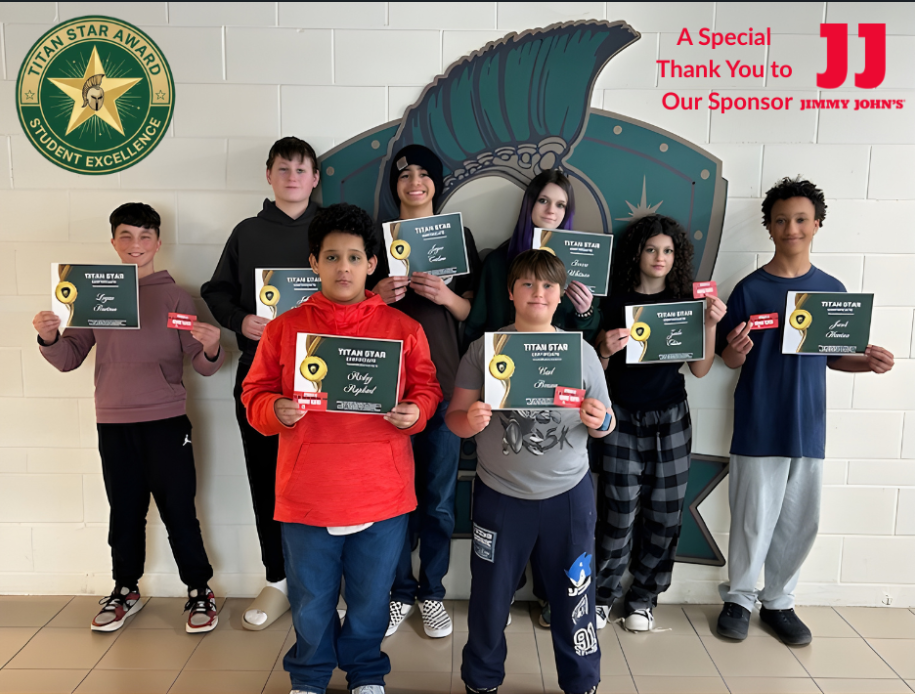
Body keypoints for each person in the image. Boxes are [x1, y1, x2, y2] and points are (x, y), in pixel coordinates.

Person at [242, 203, 442, 694]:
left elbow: (428, 389)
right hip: (307, 495)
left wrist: (417, 411)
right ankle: (309, 676)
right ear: (314, 263)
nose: (344, 267)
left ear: (373, 263)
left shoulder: (402, 329)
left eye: (355, 257)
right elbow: (254, 396)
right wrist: (276, 409)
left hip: (383, 494)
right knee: (311, 600)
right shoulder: (284, 328)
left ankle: (366, 674)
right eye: (332, 257)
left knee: (372, 599)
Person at [714, 178, 894, 645]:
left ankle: (779, 603)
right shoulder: (750, 290)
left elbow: (835, 357)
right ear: (768, 228)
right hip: (758, 421)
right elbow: (729, 358)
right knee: (753, 516)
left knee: (798, 519)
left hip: (808, 425)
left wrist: (869, 363)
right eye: (780, 220)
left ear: (817, 224)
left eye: (799, 219)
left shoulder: (831, 290)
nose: (790, 227)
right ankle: (739, 598)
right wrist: (735, 348)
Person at [33, 203, 225, 633]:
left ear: (158, 242)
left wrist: (211, 346)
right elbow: (68, 358)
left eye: (144, 236)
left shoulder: (175, 296)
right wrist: (49, 337)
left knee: (178, 509)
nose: (135, 245)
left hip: (166, 421)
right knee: (124, 510)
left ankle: (199, 590)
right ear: (113, 242)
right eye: (125, 236)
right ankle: (125, 589)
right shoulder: (91, 292)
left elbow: (202, 361)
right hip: (113, 421)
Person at [447, 250, 613, 694]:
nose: (537, 293)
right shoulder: (483, 349)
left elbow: (608, 423)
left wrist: (600, 420)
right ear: (510, 292)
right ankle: (481, 680)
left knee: (574, 597)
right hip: (500, 497)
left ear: (561, 296)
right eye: (527, 284)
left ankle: (582, 681)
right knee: (488, 597)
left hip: (568, 499)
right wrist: (471, 421)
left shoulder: (581, 352)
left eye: (547, 286)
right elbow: (454, 417)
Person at [201, 137, 320, 630]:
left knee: (324, 479)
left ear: (315, 179)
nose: (292, 176)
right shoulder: (247, 233)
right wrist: (240, 320)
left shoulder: (334, 230)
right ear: (268, 176)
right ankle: (279, 578)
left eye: (302, 169)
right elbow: (216, 289)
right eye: (283, 168)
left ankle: (320, 578)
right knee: (267, 478)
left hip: (325, 377)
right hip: (264, 378)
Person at [593, 214, 726, 632]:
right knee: (617, 512)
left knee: (665, 514)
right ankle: (601, 595)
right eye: (652, 248)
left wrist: (709, 323)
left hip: (670, 417)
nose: (660, 257)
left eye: (668, 250)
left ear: (677, 257)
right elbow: (594, 369)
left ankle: (644, 598)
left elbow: (701, 370)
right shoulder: (613, 302)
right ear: (637, 252)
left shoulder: (686, 303)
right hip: (620, 417)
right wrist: (604, 349)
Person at [370, 144, 481, 639]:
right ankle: (399, 591)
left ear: (437, 182)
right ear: (395, 185)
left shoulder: (461, 237)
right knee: (393, 500)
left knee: (437, 499)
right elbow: (348, 310)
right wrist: (376, 297)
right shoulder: (374, 239)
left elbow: (473, 313)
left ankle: (432, 593)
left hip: (444, 386)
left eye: (423, 174)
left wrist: (446, 295)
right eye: (404, 175)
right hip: (385, 390)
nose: (414, 182)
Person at [463, 169, 601, 347]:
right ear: (530, 204)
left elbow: (590, 339)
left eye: (560, 205)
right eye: (543, 201)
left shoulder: (582, 265)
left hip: (559, 363)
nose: (551, 210)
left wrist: (585, 313)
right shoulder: (496, 263)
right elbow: (475, 328)